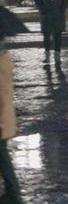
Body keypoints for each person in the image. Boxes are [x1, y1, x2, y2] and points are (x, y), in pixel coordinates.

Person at [34, 0, 68, 65]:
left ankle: (57, 55)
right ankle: (47, 55)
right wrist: (42, 10)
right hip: (46, 14)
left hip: (57, 13)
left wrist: (62, 9)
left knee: (58, 35)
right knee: (46, 35)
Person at [0, 38, 21, 202]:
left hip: (1, 120)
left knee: (3, 158)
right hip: (4, 119)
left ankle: (13, 193)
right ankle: (12, 192)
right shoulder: (3, 59)